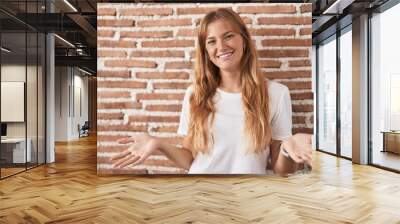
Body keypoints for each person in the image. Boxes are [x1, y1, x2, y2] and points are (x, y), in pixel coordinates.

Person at [111, 8, 312, 176]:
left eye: (228, 36)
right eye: (211, 41)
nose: (221, 47)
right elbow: (190, 159)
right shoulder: (195, 94)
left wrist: (287, 149)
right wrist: (158, 144)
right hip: (199, 197)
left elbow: (282, 171)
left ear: (243, 40)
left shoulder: (276, 93)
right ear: (206, 51)